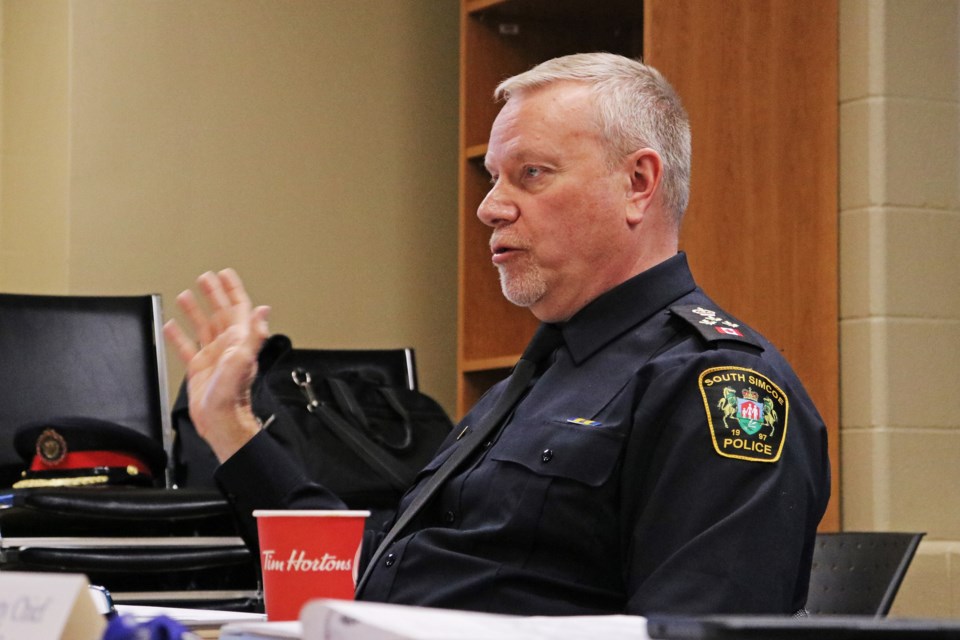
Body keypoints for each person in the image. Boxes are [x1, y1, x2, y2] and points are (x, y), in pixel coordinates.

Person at [164, 52, 830, 616]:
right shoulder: (537, 377)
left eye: (531, 174)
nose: (489, 207)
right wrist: (231, 425)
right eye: (493, 178)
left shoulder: (716, 388)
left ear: (638, 183)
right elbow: (372, 580)